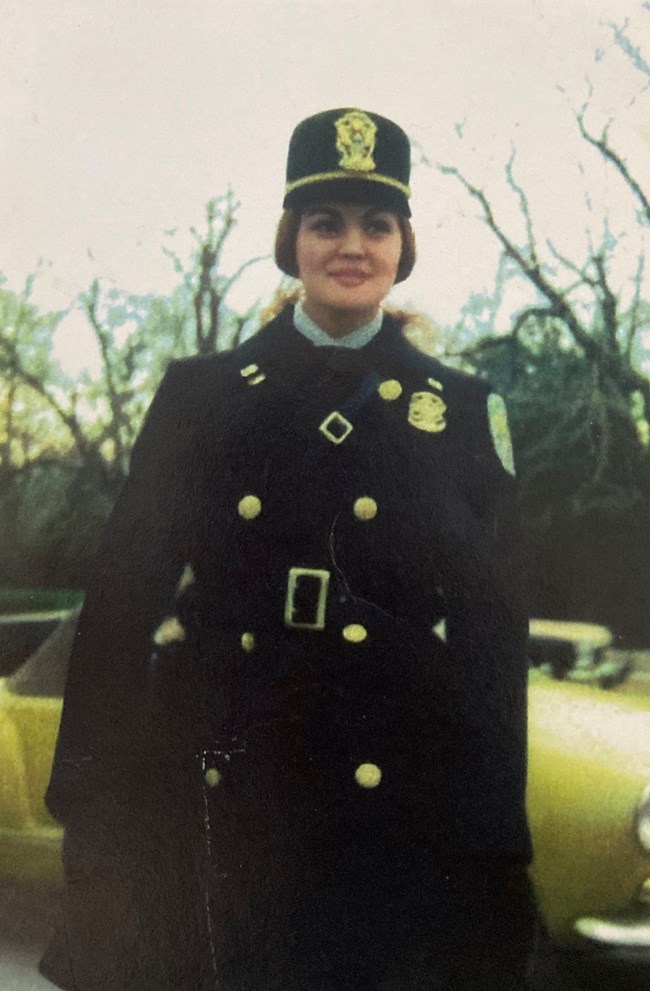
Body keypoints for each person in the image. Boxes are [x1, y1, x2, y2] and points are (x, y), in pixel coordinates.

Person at [41, 107, 535, 991]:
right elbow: (121, 602)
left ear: (403, 246)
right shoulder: (203, 396)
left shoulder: (460, 411)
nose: (352, 245)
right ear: (291, 241)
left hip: (391, 794)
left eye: (376, 224)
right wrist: (88, 793)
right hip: (218, 779)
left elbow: (491, 642)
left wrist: (495, 835)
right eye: (325, 222)